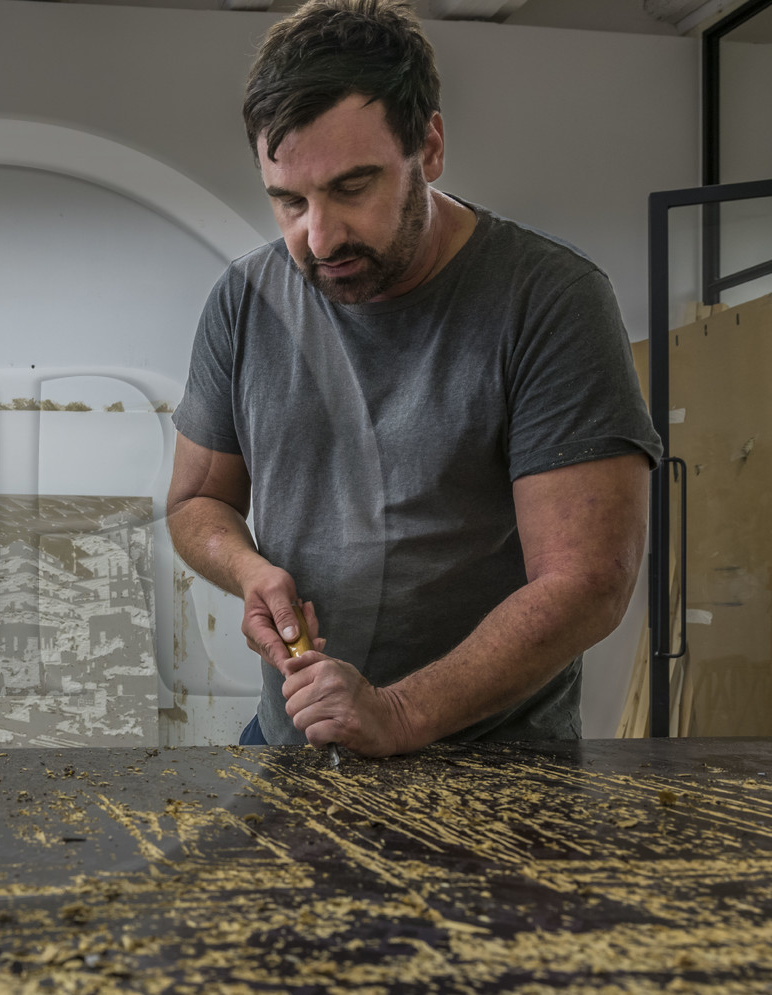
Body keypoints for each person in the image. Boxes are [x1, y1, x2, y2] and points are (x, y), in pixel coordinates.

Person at [165, 0, 662, 757]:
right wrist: (249, 568)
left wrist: (398, 713)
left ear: (428, 147)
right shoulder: (244, 301)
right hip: (296, 745)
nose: (319, 237)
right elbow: (198, 499)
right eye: (290, 202)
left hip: (497, 767)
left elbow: (591, 579)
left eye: (352, 188)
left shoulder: (549, 299)